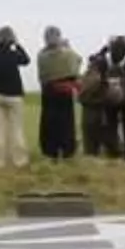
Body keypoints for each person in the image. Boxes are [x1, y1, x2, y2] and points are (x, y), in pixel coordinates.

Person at [0, 26, 32, 168]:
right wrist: (17, 44)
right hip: (14, 95)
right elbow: (26, 60)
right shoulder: (15, 55)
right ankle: (19, 160)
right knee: (16, 128)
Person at [84, 35, 125, 160]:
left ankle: (114, 152)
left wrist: (105, 48)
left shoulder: (104, 63)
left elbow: (94, 59)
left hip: (109, 99)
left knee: (111, 126)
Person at [35, 27, 81, 160]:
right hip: (64, 91)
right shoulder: (67, 54)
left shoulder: (41, 55)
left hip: (48, 91)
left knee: (49, 123)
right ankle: (67, 150)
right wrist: (67, 47)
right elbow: (77, 62)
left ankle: (50, 151)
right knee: (66, 123)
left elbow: (42, 75)